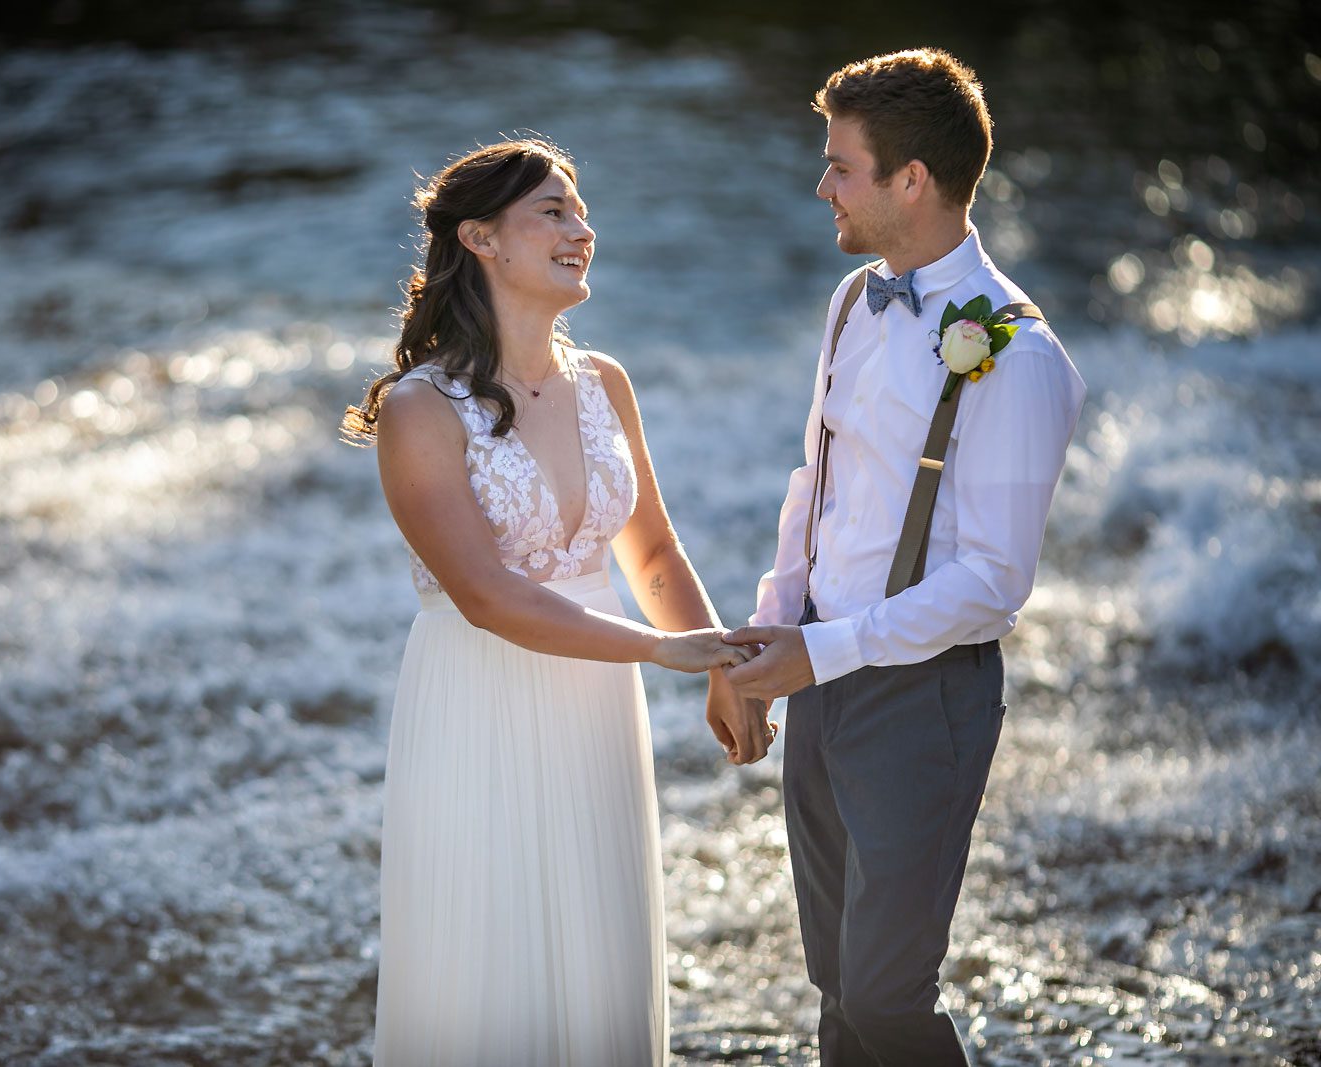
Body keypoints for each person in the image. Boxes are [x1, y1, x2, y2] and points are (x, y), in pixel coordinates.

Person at [344, 137, 772, 1067]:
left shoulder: (604, 382)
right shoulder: (421, 409)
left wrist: (722, 665)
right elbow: (488, 596)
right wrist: (663, 654)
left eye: (581, 211)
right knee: (494, 966)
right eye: (553, 211)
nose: (582, 229)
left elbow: (651, 548)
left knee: (596, 959)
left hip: (597, 708)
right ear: (481, 238)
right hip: (479, 703)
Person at [721, 50, 1086, 1065]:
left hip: (923, 697)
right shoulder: (851, 300)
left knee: (886, 993)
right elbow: (815, 480)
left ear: (910, 180)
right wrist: (768, 639)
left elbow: (991, 583)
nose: (821, 184)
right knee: (837, 988)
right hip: (818, 677)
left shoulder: (1014, 352)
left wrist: (823, 652)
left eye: (840, 165)